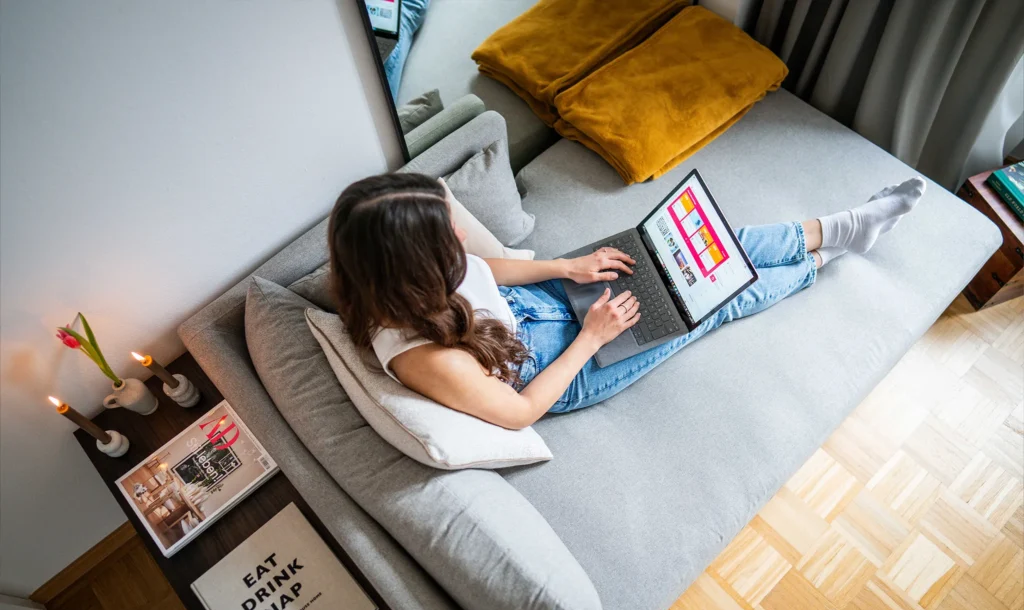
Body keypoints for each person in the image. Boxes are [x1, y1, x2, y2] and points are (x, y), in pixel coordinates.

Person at [328, 173, 925, 429]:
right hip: (563, 364)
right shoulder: (419, 355)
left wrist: (566, 265)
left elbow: (487, 268)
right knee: (706, 302)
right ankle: (824, 259)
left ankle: (841, 227)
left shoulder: (390, 276)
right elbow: (519, 412)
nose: (462, 235)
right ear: (413, 266)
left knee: (700, 248)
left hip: (539, 300)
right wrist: (593, 334)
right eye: (445, 237)